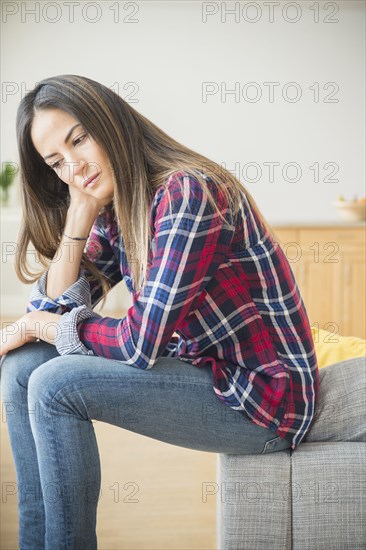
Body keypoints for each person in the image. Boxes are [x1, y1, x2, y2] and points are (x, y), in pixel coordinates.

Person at [0, 74, 319, 550]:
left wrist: (41, 324)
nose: (74, 167)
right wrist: (78, 216)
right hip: (202, 372)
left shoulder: (189, 193)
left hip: (263, 400)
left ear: (110, 120)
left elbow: (138, 343)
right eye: (56, 162)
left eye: (79, 139)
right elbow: (51, 307)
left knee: (54, 383)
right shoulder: (120, 207)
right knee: (22, 366)